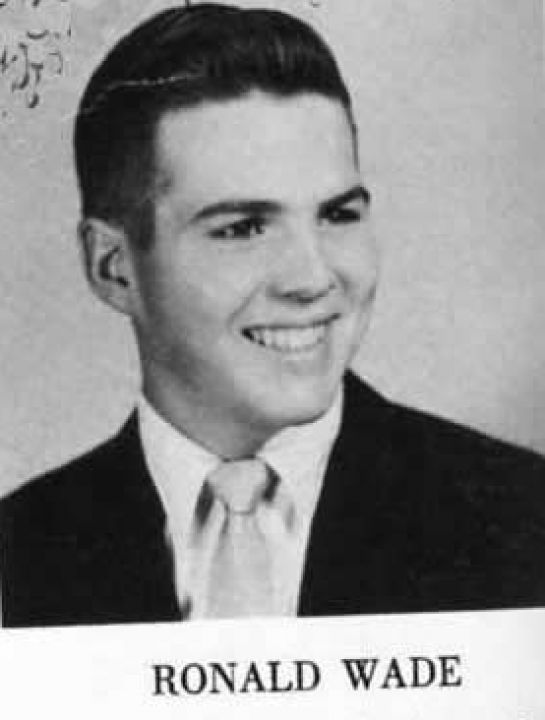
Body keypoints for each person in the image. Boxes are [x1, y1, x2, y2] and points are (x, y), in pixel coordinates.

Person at [1, 3, 544, 628]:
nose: (312, 279)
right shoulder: (19, 551)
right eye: (243, 228)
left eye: (337, 215)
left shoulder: (520, 515)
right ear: (113, 267)